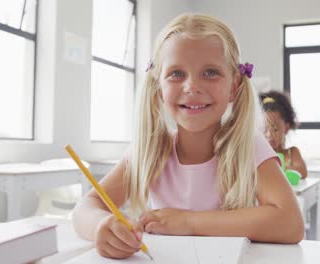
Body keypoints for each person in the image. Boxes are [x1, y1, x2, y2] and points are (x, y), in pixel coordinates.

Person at [72, 13, 304, 259]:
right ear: (158, 86)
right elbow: (84, 209)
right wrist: (101, 226)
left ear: (234, 86)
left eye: (211, 72)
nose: (192, 86)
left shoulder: (247, 146)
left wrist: (189, 222)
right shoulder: (151, 149)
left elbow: (290, 223)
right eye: (176, 74)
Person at [259, 91, 308, 179]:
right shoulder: (257, 157)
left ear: (286, 128)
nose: (269, 135)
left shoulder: (292, 154)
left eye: (275, 129)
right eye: (264, 130)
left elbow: (303, 173)